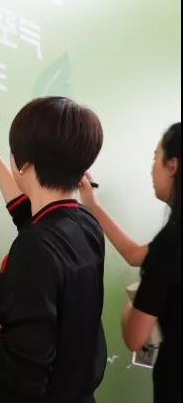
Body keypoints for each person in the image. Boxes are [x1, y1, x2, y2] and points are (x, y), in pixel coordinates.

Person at [0, 97, 107, 403]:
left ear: (24, 163)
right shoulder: (85, 225)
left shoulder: (36, 246)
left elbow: (20, 377)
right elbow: (30, 216)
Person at [77, 122, 180, 402]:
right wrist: (92, 205)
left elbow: (135, 338)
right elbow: (135, 255)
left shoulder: (171, 243)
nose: (151, 169)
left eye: (155, 157)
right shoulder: (169, 241)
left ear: (172, 166)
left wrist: (132, 304)